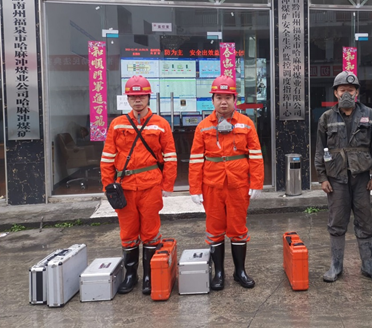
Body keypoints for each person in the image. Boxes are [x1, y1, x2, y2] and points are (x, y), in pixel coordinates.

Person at [100, 75, 177, 295]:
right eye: (133, 97)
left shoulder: (161, 124)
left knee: (150, 232)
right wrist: (108, 186)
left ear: (148, 97)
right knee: (128, 232)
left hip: (150, 185)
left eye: (141, 96)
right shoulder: (117, 124)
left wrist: (167, 185)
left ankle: (149, 276)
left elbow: (170, 157)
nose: (137, 100)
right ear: (127, 98)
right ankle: (131, 275)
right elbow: (107, 158)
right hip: (124, 187)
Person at [189, 75, 264, 290]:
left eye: (228, 97)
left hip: (238, 185)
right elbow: (196, 159)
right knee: (214, 229)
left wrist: (256, 183)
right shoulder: (203, 127)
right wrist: (194, 188)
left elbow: (256, 156)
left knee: (238, 228)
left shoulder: (246, 124)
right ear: (212, 100)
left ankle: (240, 272)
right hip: (212, 185)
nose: (223, 102)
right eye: (219, 97)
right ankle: (219, 273)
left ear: (235, 100)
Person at [315, 71, 372, 284]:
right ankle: (336, 266)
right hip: (336, 179)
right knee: (337, 222)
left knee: (365, 222)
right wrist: (322, 177)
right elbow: (320, 150)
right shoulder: (326, 118)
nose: (347, 93)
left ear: (357, 92)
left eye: (351, 90)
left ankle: (368, 266)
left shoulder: (370, 115)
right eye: (342, 90)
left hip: (362, 179)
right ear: (336, 93)